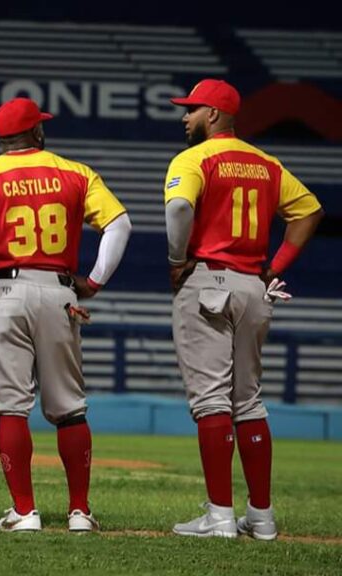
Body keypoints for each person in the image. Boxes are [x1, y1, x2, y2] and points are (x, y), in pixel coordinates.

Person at [0, 97, 131, 532]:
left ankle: (24, 512)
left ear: (3, 137)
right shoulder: (76, 173)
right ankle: (79, 512)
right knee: (70, 408)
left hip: (4, 289)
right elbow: (120, 224)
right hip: (58, 291)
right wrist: (93, 282)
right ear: (38, 132)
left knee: (11, 406)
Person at [164, 79, 323, 540]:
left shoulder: (194, 158)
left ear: (213, 114)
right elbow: (309, 212)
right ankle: (261, 517)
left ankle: (218, 517)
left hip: (208, 281)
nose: (185, 117)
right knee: (248, 402)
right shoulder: (266, 163)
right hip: (255, 287)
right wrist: (275, 265)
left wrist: (176, 261)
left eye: (192, 109)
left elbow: (178, 208)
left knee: (212, 402)